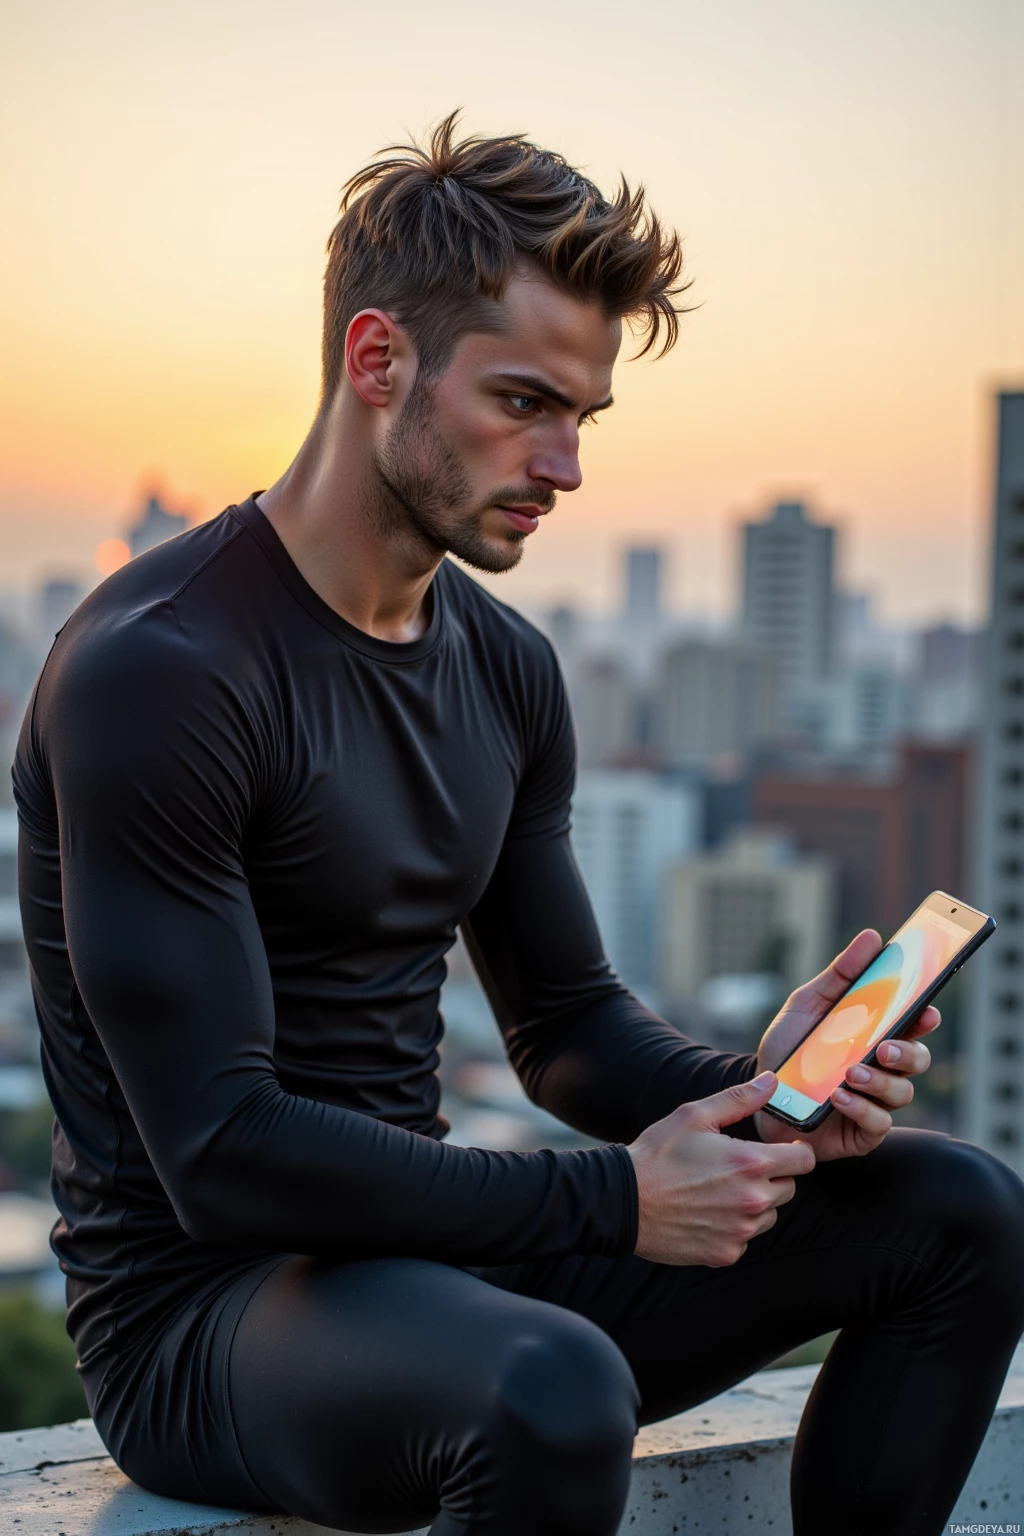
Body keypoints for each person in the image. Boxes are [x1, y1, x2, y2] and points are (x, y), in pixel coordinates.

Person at [13, 113, 1024, 1536]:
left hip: (431, 1261)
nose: (565, 464)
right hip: (206, 1314)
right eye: (522, 403)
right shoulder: (159, 672)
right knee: (551, 1392)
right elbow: (221, 1145)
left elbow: (564, 1029)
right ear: (378, 363)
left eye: (581, 416)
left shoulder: (501, 666)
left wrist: (765, 1089)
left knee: (959, 1213)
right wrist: (615, 1205)